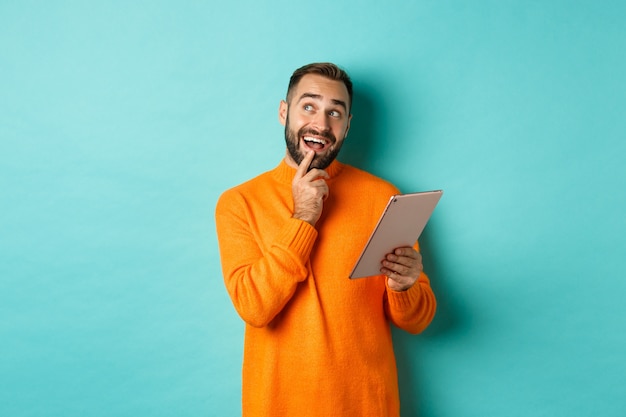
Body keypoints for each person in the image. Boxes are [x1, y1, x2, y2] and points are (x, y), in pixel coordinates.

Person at [215, 62, 436, 417]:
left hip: (368, 406)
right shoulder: (239, 202)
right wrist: (303, 217)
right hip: (278, 406)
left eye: (335, 112)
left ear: (347, 126)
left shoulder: (384, 198)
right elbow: (254, 307)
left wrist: (404, 286)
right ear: (284, 112)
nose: (320, 123)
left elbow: (419, 319)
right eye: (308, 106)